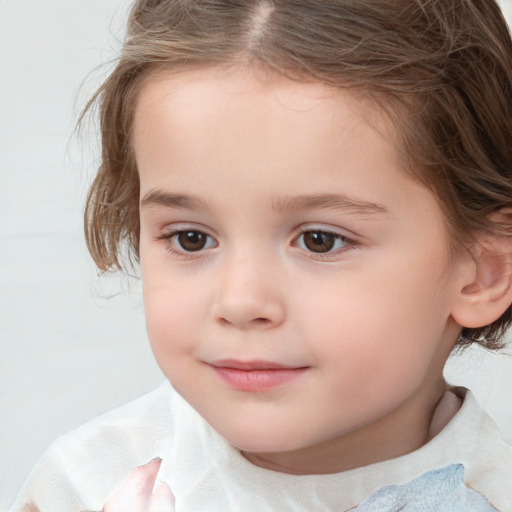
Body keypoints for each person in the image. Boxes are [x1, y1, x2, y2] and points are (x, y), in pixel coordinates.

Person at [9, 0, 512, 510]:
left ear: (483, 271)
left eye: (320, 240)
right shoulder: (81, 487)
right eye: (191, 238)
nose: (241, 300)